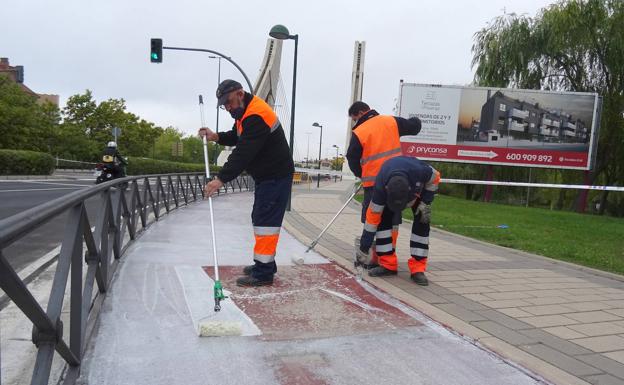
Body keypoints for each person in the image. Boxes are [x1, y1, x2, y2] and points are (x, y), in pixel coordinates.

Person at [199, 79, 294, 287]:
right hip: (268, 177)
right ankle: (265, 264)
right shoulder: (245, 112)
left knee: (265, 223)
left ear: (240, 94)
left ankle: (263, 273)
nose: (227, 107)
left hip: (275, 176)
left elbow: (243, 153)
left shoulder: (255, 115)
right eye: (224, 104)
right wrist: (216, 136)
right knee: (261, 219)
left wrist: (219, 180)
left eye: (229, 102)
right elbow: (237, 136)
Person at [346, 101, 422, 266]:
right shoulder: (391, 121)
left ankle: (373, 256)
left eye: (354, 118)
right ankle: (387, 258)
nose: (354, 122)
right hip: (396, 181)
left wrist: (362, 174)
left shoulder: (359, 131)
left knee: (372, 220)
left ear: (359, 113)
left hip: (373, 185)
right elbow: (414, 127)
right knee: (392, 220)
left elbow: (351, 158)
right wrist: (416, 119)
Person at [358, 156, 440, 286]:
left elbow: (435, 178)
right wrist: (364, 247)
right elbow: (371, 221)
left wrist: (426, 201)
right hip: (394, 192)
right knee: (383, 223)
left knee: (422, 224)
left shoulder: (421, 171)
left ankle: (418, 269)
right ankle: (388, 264)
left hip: (419, 192)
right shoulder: (380, 187)